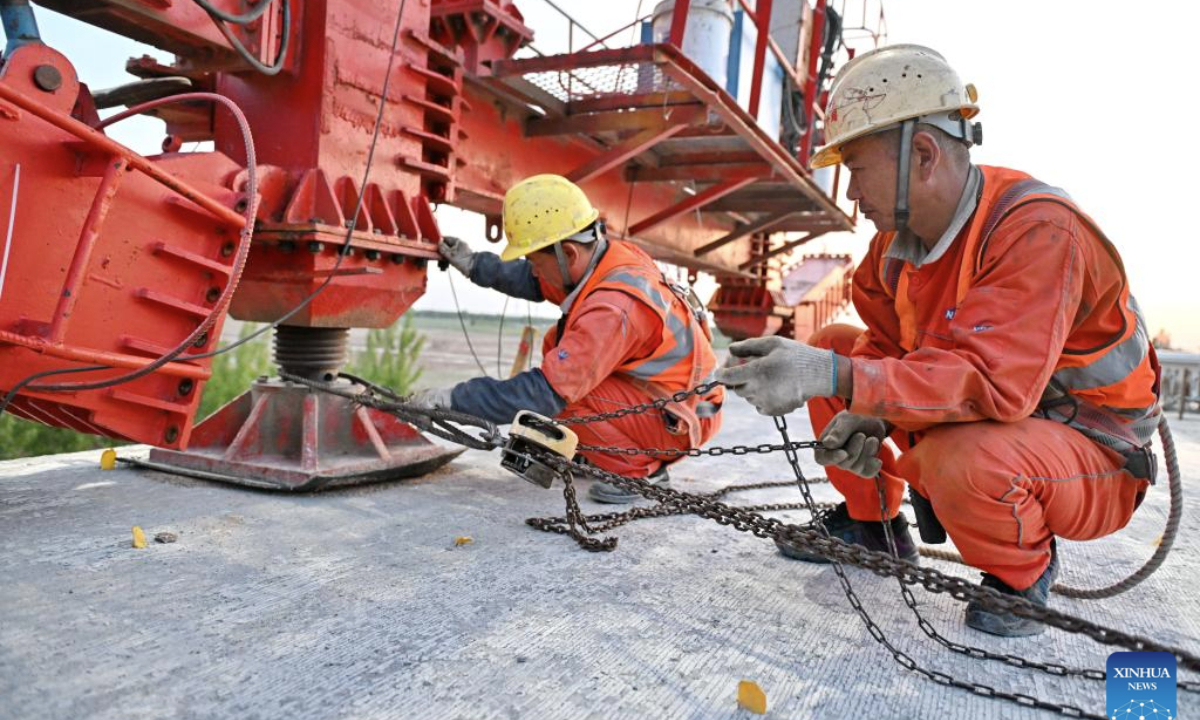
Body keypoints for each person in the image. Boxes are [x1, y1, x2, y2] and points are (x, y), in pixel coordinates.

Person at [715, 45, 1161, 637]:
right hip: (1003, 419)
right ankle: (873, 526)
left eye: (858, 169)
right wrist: (866, 412)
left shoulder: (1037, 231)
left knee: (964, 458)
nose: (852, 193)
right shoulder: (892, 253)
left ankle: (1021, 575)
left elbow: (994, 383)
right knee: (835, 344)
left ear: (922, 155)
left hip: (1092, 449)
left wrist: (841, 381)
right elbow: (879, 348)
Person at [413, 174, 725, 503]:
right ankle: (609, 449)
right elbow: (536, 281)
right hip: (675, 401)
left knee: (565, 393)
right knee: (560, 351)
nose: (532, 269)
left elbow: (543, 395)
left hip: (680, 420)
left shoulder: (613, 307)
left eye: (534, 260)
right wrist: (476, 265)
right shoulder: (604, 261)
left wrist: (453, 400)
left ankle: (640, 472)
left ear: (569, 254)